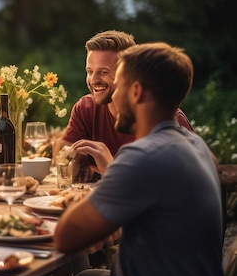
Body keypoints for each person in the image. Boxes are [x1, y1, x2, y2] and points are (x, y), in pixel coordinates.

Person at [0, 42, 226, 276]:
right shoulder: (198, 146)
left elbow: (66, 239)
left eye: (118, 85)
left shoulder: (142, 156)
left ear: (135, 92)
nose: (113, 96)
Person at [55, 30, 194, 179]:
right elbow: (62, 155)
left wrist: (111, 168)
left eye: (103, 72)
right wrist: (77, 162)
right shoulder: (86, 107)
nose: (94, 80)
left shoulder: (160, 120)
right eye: (89, 71)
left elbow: (163, 188)